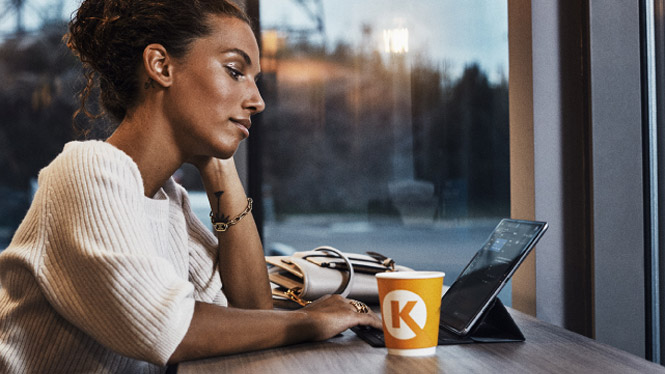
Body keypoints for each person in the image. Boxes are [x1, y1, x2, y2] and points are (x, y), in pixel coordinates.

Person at [0, 0, 381, 372]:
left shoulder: (168, 202)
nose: (258, 101)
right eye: (235, 71)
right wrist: (311, 320)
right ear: (161, 65)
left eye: (255, 80)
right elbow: (169, 328)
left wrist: (220, 169)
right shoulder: (85, 171)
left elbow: (249, 314)